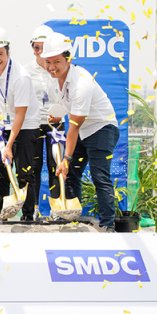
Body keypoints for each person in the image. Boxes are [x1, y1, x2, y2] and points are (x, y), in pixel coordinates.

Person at [41, 32, 119, 232]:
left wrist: (66, 158)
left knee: (99, 176)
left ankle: (107, 224)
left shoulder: (81, 83)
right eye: (48, 61)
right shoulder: (54, 78)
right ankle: (70, 217)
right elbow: (66, 107)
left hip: (102, 128)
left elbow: (74, 126)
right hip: (83, 130)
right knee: (71, 174)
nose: (51, 66)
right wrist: (58, 114)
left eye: (56, 61)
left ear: (68, 59)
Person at [0, 25, 40, 221]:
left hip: (25, 127)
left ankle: (27, 216)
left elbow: (20, 115)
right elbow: (2, 95)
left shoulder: (21, 77)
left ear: (8, 51)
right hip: (5, 125)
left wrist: (9, 145)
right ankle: (0, 215)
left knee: (24, 172)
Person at [23, 25, 60, 220]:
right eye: (36, 47)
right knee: (34, 167)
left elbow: (65, 94)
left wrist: (60, 113)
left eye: (44, 47)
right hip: (34, 122)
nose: (40, 52)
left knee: (55, 166)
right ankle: (34, 209)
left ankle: (56, 209)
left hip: (56, 122)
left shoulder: (58, 67)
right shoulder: (26, 71)